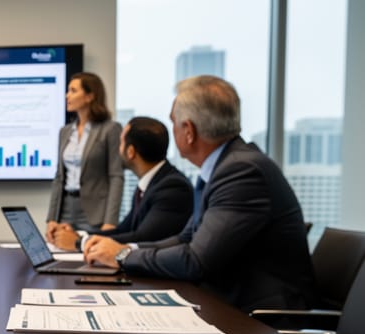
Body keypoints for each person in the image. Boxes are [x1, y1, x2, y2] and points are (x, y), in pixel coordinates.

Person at [83, 75, 315, 312]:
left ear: (189, 131)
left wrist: (122, 256)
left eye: (173, 122)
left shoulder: (241, 172)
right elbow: (185, 239)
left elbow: (196, 261)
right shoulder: (224, 166)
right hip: (231, 303)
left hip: (261, 320)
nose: (172, 130)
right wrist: (128, 251)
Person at [52, 116, 192, 251]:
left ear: (130, 152)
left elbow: (143, 238)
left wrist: (79, 243)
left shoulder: (172, 187)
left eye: (121, 143)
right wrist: (80, 235)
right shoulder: (150, 184)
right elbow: (123, 230)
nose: (118, 149)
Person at [45, 72, 124, 242]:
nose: (67, 96)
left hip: (96, 212)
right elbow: (59, 178)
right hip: (65, 209)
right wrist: (52, 218)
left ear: (89, 96)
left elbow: (116, 176)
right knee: (62, 255)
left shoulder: (110, 129)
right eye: (68, 91)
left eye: (73, 91)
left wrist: (111, 221)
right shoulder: (65, 132)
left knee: (92, 257)